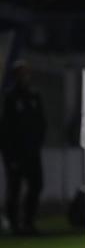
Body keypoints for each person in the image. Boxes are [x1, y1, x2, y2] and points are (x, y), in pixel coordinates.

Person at [0, 61, 46, 235]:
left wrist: (37, 143)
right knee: (14, 187)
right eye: (22, 73)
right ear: (16, 76)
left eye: (27, 73)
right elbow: (5, 128)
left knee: (37, 184)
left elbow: (42, 123)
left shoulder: (34, 96)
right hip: (15, 153)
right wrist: (10, 155)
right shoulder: (10, 98)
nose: (26, 76)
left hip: (32, 152)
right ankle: (14, 224)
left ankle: (28, 221)